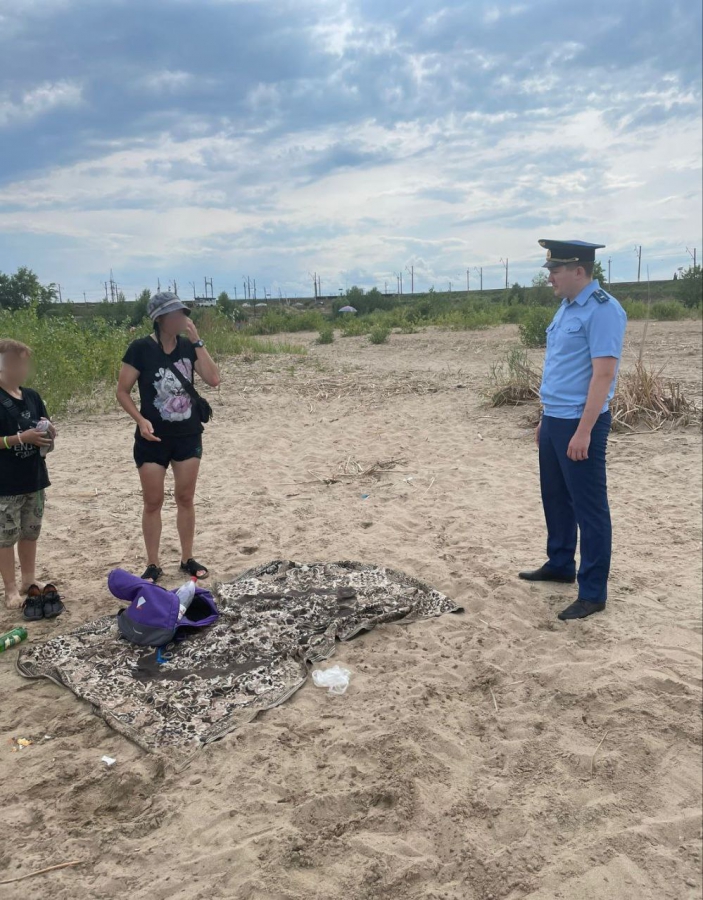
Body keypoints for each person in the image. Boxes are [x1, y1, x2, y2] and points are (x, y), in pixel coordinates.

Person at [519, 240, 627, 620]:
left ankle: (593, 592)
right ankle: (560, 564)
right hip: (555, 420)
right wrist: (544, 418)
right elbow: (561, 368)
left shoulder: (603, 311)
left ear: (579, 270)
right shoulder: (566, 309)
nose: (550, 276)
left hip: (581, 423)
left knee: (589, 508)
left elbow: (604, 374)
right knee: (556, 498)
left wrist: (583, 431)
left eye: (556, 269)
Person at [116, 292, 220, 583]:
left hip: (187, 435)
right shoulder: (139, 349)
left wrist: (197, 340)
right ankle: (153, 563)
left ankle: (187, 558)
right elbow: (122, 391)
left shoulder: (188, 347)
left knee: (186, 498)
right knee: (153, 502)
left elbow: (213, 379)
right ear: (159, 319)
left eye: (183, 313)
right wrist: (140, 419)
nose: (182, 318)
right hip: (152, 439)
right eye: (175, 314)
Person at [0, 339, 62, 618]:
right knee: (5, 537)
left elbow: (44, 427)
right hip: (5, 482)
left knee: (30, 531)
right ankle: (10, 588)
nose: (25, 368)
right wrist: (19, 438)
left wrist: (48, 432)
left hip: (35, 477)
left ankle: (28, 580)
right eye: (19, 361)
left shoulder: (33, 396)